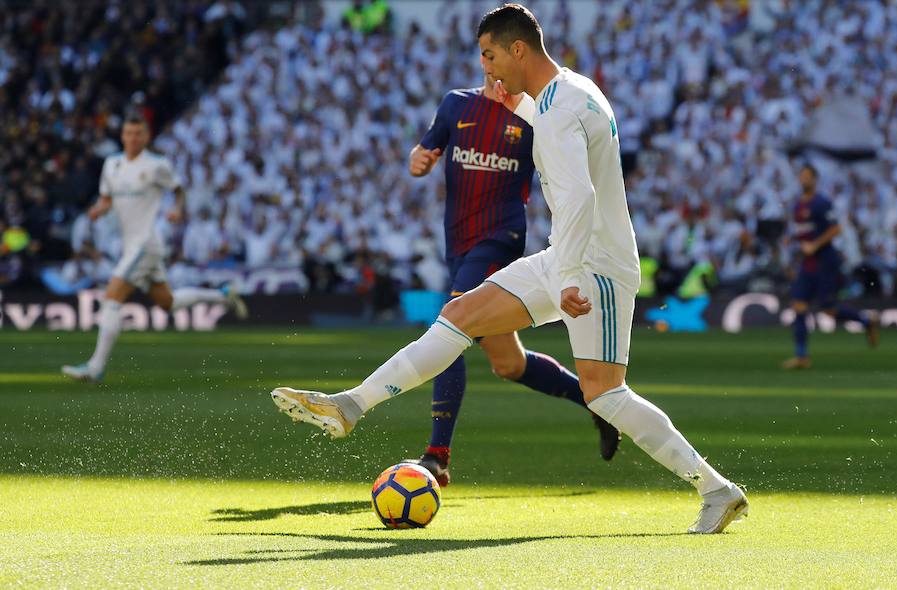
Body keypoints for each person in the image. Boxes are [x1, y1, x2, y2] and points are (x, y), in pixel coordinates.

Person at [270, 4, 747, 534]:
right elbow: (558, 138)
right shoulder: (571, 92)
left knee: (605, 393)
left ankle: (716, 489)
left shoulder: (561, 109)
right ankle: (350, 405)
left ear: (518, 49)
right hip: (567, 256)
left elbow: (578, 198)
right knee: (460, 315)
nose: (486, 69)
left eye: (490, 56)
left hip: (594, 267)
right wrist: (515, 106)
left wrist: (567, 278)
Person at [274, 64, 620, 486]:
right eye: (486, 59)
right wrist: (418, 159)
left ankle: (437, 455)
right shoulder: (457, 104)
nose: (494, 70)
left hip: (500, 240)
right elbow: (424, 150)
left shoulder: (533, 114)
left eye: (496, 58)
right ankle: (595, 405)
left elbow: (568, 168)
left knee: (452, 322)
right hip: (458, 244)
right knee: (509, 364)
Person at [62, 114, 247, 383]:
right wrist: (99, 211)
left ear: (146, 137)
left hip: (146, 243)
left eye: (138, 133)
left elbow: (179, 191)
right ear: (122, 135)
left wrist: (177, 209)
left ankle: (95, 367)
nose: (133, 138)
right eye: (129, 133)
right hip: (131, 245)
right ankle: (223, 296)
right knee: (168, 303)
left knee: (112, 298)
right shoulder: (112, 165)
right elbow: (106, 199)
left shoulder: (157, 166)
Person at [782, 164, 879, 369]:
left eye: (808, 176)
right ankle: (802, 356)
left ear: (815, 180)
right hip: (808, 264)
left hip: (825, 261)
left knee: (829, 310)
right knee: (798, 304)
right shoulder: (798, 205)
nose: (804, 179)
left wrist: (815, 245)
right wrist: (793, 245)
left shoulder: (822, 203)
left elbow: (835, 229)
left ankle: (865, 321)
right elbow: (804, 234)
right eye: (802, 176)